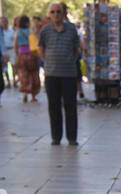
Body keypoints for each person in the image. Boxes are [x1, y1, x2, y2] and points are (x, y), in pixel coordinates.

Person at [37, 2, 81, 143]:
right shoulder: (45, 30)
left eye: (58, 11)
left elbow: (76, 50)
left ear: (63, 13)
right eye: (53, 12)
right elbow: (41, 49)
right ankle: (56, 137)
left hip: (68, 74)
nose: (55, 14)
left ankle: (72, 137)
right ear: (49, 14)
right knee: (54, 107)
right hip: (51, 74)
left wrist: (68, 61)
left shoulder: (71, 29)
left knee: (70, 107)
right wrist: (48, 63)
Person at [13, 15, 38, 103]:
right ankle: (33, 96)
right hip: (31, 55)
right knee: (33, 74)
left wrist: (17, 55)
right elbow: (36, 42)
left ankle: (25, 94)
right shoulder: (31, 31)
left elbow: (15, 46)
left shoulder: (17, 32)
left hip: (21, 55)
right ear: (27, 23)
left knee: (24, 75)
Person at [0, 16, 13, 89]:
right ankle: (8, 81)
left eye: (4, 21)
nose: (3, 23)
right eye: (2, 22)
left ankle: (14, 81)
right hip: (3, 50)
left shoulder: (11, 31)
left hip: (11, 49)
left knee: (13, 65)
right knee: (5, 67)